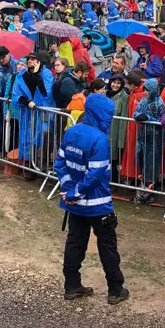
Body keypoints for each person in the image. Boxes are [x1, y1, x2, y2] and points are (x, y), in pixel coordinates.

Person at [54, 93, 128, 305]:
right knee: (107, 246)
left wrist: (69, 191)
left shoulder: (72, 131)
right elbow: (95, 176)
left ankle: (71, 285)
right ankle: (115, 289)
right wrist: (75, 192)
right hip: (98, 205)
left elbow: (59, 163)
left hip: (75, 205)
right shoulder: (100, 140)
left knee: (75, 243)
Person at [133, 78, 165, 204]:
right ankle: (143, 189)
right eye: (144, 89)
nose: (145, 92)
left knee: (152, 164)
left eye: (147, 90)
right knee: (143, 161)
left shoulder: (159, 103)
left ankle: (150, 190)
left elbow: (162, 120)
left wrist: (148, 117)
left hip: (156, 138)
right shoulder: (143, 100)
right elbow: (136, 112)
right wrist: (138, 116)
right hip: (143, 136)